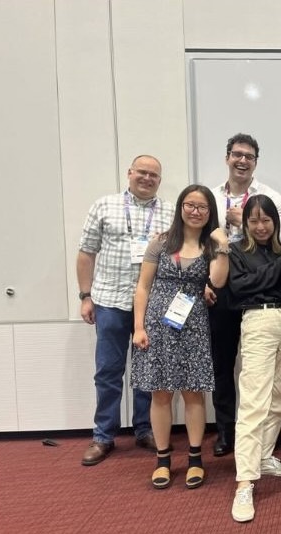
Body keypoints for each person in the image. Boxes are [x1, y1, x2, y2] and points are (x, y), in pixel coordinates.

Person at [74, 155, 174, 466]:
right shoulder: (104, 205)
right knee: (108, 371)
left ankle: (144, 429)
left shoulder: (170, 212)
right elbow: (86, 253)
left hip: (154, 303)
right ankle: (103, 435)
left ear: (159, 180)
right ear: (129, 173)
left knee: (148, 371)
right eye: (142, 172)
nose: (147, 178)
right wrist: (85, 295)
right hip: (110, 302)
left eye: (153, 175)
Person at [129, 184, 228, 490]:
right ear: (181, 207)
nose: (196, 212)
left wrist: (223, 243)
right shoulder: (160, 242)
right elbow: (143, 286)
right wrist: (139, 327)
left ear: (210, 212)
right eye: (190, 205)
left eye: (203, 207)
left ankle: (195, 458)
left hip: (193, 326)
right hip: (158, 325)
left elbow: (218, 281)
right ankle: (162, 458)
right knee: (160, 393)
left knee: (193, 393)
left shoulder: (211, 246)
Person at [224, 194, 281, 521]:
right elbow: (240, 287)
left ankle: (264, 456)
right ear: (245, 223)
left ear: (275, 222)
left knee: (278, 398)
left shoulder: (277, 249)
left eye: (266, 220)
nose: (260, 226)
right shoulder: (235, 251)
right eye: (254, 221)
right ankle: (244, 481)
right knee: (254, 402)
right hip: (257, 321)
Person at [206, 133, 281, 458]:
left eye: (249, 156)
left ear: (256, 162)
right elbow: (199, 241)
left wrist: (245, 222)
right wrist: (205, 281)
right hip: (221, 290)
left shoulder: (270, 197)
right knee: (223, 366)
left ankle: (266, 435)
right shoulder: (210, 197)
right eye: (237, 154)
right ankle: (226, 431)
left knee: (263, 368)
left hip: (258, 286)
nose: (242, 161)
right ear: (227, 157)